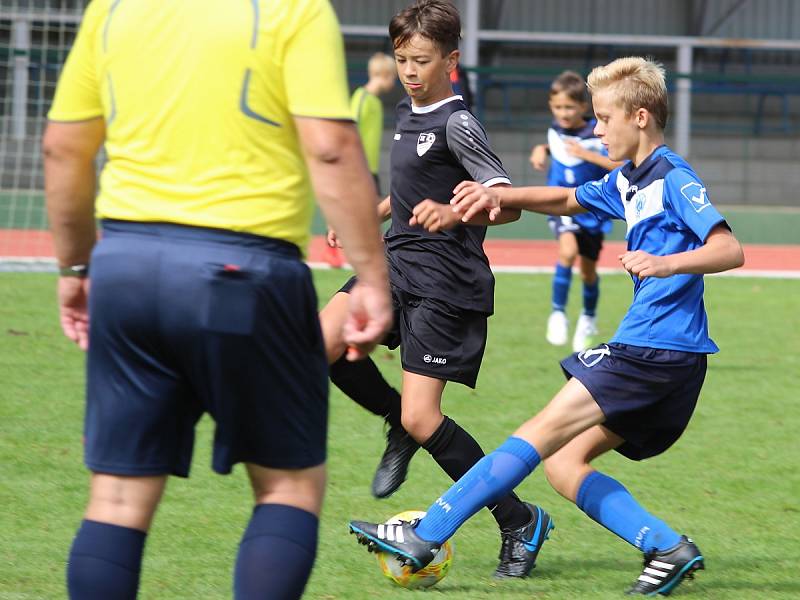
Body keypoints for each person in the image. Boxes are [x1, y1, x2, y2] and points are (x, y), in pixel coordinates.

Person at [349, 56, 745, 596]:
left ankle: (425, 535)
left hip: (654, 349)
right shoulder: (627, 181)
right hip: (671, 362)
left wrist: (666, 263)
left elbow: (729, 247)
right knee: (564, 463)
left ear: (643, 117)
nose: (597, 129)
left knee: (538, 432)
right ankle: (667, 547)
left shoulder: (673, 177)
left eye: (605, 118)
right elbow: (564, 198)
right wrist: (497, 195)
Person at [43, 1, 391, 599]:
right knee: (288, 488)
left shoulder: (113, 8)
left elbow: (62, 150)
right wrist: (373, 278)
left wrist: (75, 266)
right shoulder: (294, 9)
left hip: (125, 268)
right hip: (241, 272)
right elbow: (331, 148)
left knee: (117, 498)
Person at [332, 0, 556, 579]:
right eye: (402, 59)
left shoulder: (458, 122)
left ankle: (519, 519)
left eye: (422, 60)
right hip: (393, 263)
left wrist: (456, 215)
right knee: (322, 344)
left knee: (424, 416)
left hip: (444, 282)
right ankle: (395, 424)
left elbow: (503, 204)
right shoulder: (408, 112)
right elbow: (410, 190)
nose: (409, 70)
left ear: (451, 60)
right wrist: (368, 214)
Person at [529, 70, 622, 351]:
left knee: (588, 273)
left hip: (592, 210)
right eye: (558, 107)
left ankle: (588, 318)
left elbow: (620, 166)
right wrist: (540, 149)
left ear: (583, 107)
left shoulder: (597, 133)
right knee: (567, 252)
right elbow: (555, 143)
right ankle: (558, 313)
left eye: (570, 107)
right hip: (560, 204)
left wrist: (588, 155)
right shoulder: (555, 128)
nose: (564, 113)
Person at [324, 53, 397, 268]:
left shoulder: (373, 101)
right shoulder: (362, 98)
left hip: (370, 169)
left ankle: (373, 255)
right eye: (392, 76)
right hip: (358, 169)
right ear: (384, 75)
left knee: (374, 210)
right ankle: (334, 250)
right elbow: (348, 131)